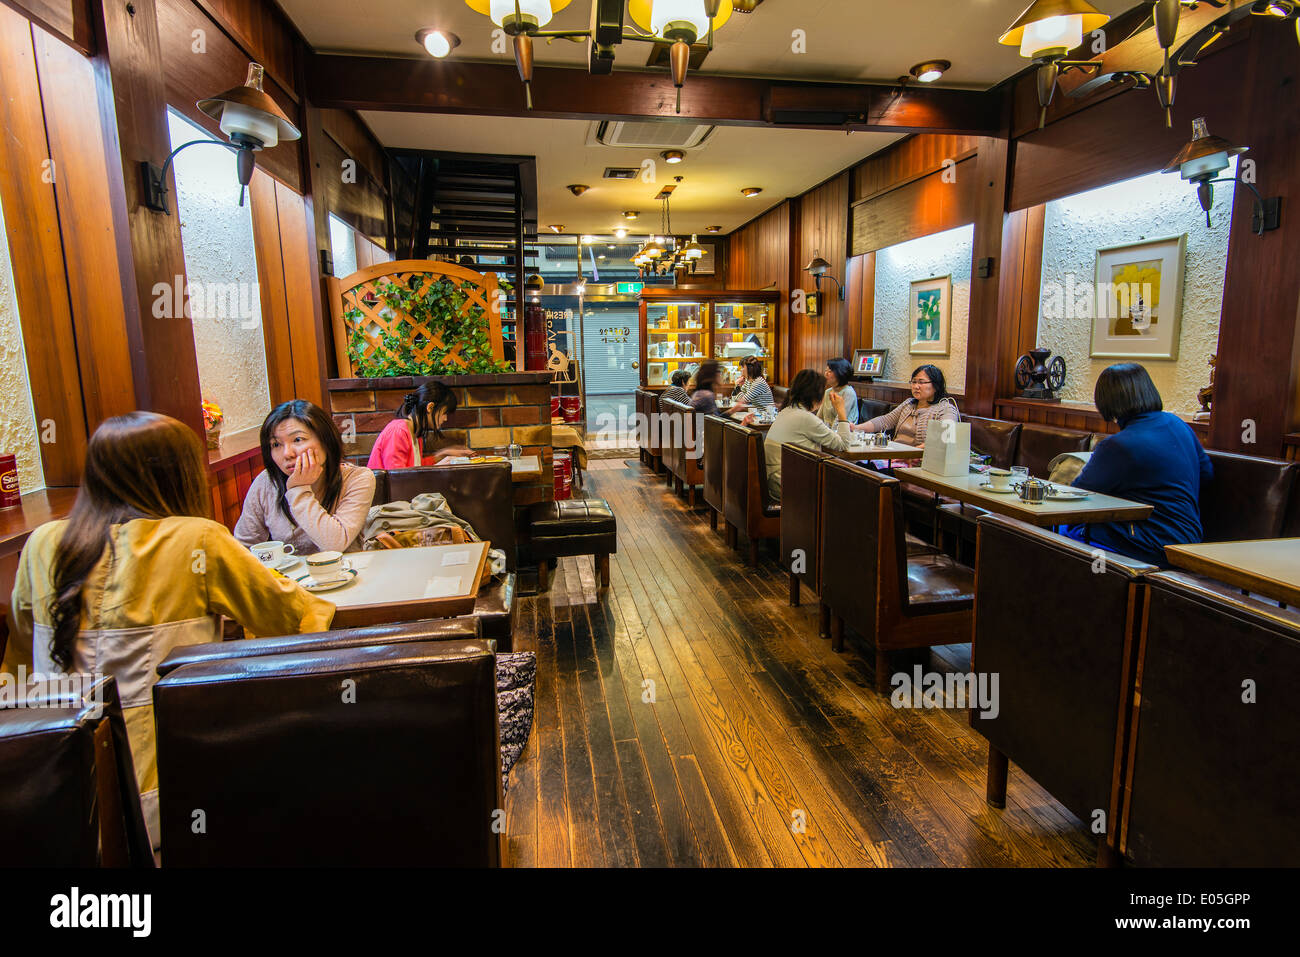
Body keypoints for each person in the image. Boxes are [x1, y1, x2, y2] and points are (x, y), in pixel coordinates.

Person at [6, 412, 335, 849]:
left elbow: (21, 650)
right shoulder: (195, 539)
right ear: (180, 474)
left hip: (47, 789)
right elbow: (293, 617)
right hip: (163, 793)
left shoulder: (43, 544)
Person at [1061, 363, 1213, 567]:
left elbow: (1077, 496)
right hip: (1190, 539)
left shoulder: (1117, 446)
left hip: (1150, 542)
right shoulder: (1177, 424)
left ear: (1106, 401)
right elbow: (1207, 475)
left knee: (1058, 529)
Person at [235, 399, 377, 554]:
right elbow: (243, 548)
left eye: (297, 440)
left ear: (326, 440)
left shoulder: (357, 479)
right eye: (276, 444)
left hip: (348, 574)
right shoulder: (267, 482)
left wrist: (299, 490)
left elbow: (335, 544)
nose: (287, 453)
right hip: (288, 578)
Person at [745, 368, 848, 502]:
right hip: (788, 485)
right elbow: (843, 444)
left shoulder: (787, 411)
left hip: (775, 481)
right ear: (816, 394)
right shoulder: (805, 417)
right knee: (846, 486)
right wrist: (841, 411)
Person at [367, 382, 472, 470]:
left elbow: (414, 466)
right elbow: (397, 478)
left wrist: (440, 456)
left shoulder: (415, 432)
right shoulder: (398, 431)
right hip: (391, 494)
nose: (445, 418)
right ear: (430, 407)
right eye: (445, 412)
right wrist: (437, 468)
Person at [852, 363, 959, 447]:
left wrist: (912, 454)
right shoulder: (908, 404)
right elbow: (885, 421)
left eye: (921, 382)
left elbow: (945, 439)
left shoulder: (946, 409)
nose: (916, 386)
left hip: (918, 462)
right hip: (895, 455)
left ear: (936, 385)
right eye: (913, 382)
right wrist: (856, 428)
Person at [819, 357, 859, 428]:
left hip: (844, 432)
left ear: (840, 373)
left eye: (830, 371)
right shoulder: (828, 392)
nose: (826, 374)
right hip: (827, 432)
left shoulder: (848, 392)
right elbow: (819, 416)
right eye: (826, 371)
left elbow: (840, 420)